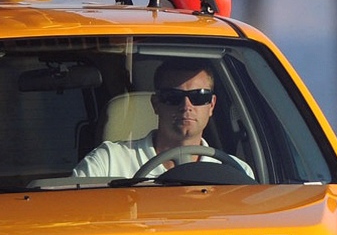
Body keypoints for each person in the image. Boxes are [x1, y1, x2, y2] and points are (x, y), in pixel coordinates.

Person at [74, 59, 247, 179]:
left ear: (212, 105)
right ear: (155, 104)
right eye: (173, 97)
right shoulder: (108, 162)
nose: (186, 105)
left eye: (199, 96)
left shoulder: (236, 172)